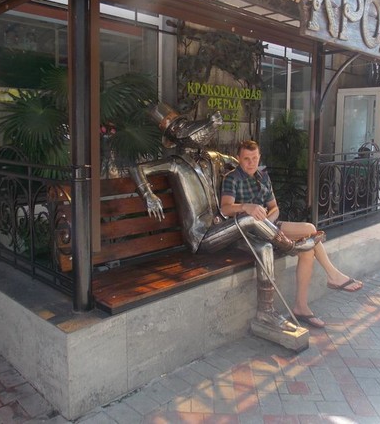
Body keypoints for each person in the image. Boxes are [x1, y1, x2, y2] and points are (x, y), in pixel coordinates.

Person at [130, 103, 322, 334]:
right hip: (202, 237)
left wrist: (255, 177)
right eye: (178, 128)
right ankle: (291, 247)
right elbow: (137, 168)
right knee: (249, 218)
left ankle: (266, 313)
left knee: (264, 248)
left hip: (223, 230)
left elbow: (241, 164)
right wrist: (148, 195)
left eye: (184, 124)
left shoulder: (213, 157)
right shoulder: (174, 163)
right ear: (173, 139)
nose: (186, 130)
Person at [221, 140, 363, 328]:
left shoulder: (263, 176)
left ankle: (301, 306)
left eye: (254, 158)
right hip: (248, 233)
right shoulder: (232, 178)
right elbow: (226, 208)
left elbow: (275, 208)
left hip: (270, 226)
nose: (251, 163)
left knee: (308, 243)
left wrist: (269, 221)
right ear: (239, 158)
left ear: (259, 157)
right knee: (310, 234)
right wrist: (246, 207)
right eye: (246, 159)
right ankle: (332, 275)